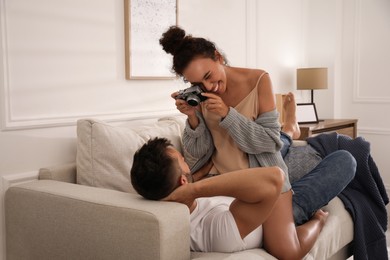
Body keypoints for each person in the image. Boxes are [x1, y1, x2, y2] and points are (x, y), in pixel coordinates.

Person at [160, 25, 356, 226]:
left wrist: (228, 114)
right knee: (285, 211)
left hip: (262, 174)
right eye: (199, 84)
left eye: (209, 76)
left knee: (346, 160)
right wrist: (193, 117)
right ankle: (289, 130)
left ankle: (289, 128)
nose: (209, 87)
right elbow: (198, 154)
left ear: (218, 57)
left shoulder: (259, 80)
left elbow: (269, 143)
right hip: (224, 184)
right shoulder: (201, 95)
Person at [131, 137, 328, 259]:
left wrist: (196, 181)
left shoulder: (188, 206)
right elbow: (275, 177)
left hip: (261, 186)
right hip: (280, 204)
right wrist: (194, 189)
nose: (187, 162)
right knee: (344, 159)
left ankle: (289, 133)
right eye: (183, 161)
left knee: (282, 143)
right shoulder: (212, 230)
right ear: (183, 182)